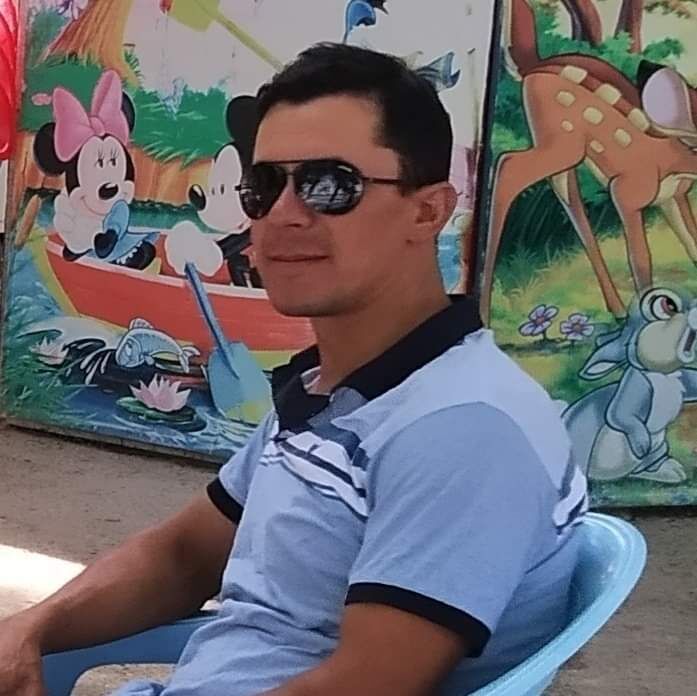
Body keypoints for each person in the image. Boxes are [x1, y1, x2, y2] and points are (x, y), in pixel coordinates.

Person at [0, 43, 587, 696]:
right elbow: (185, 557)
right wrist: (29, 629)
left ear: (428, 210)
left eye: (328, 184)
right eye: (263, 186)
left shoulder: (462, 429)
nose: (282, 213)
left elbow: (366, 686)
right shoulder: (338, 390)